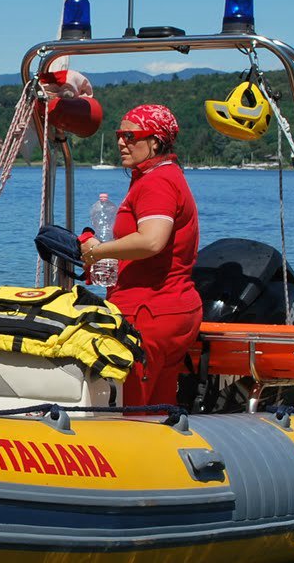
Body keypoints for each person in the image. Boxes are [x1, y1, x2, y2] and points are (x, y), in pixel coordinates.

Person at [79, 104, 202, 407]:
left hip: (150, 313)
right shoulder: (162, 176)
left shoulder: (157, 181)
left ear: (155, 141)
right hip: (168, 310)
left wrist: (96, 251)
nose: (122, 142)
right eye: (120, 135)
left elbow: (151, 241)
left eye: (131, 136)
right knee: (157, 410)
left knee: (133, 409)